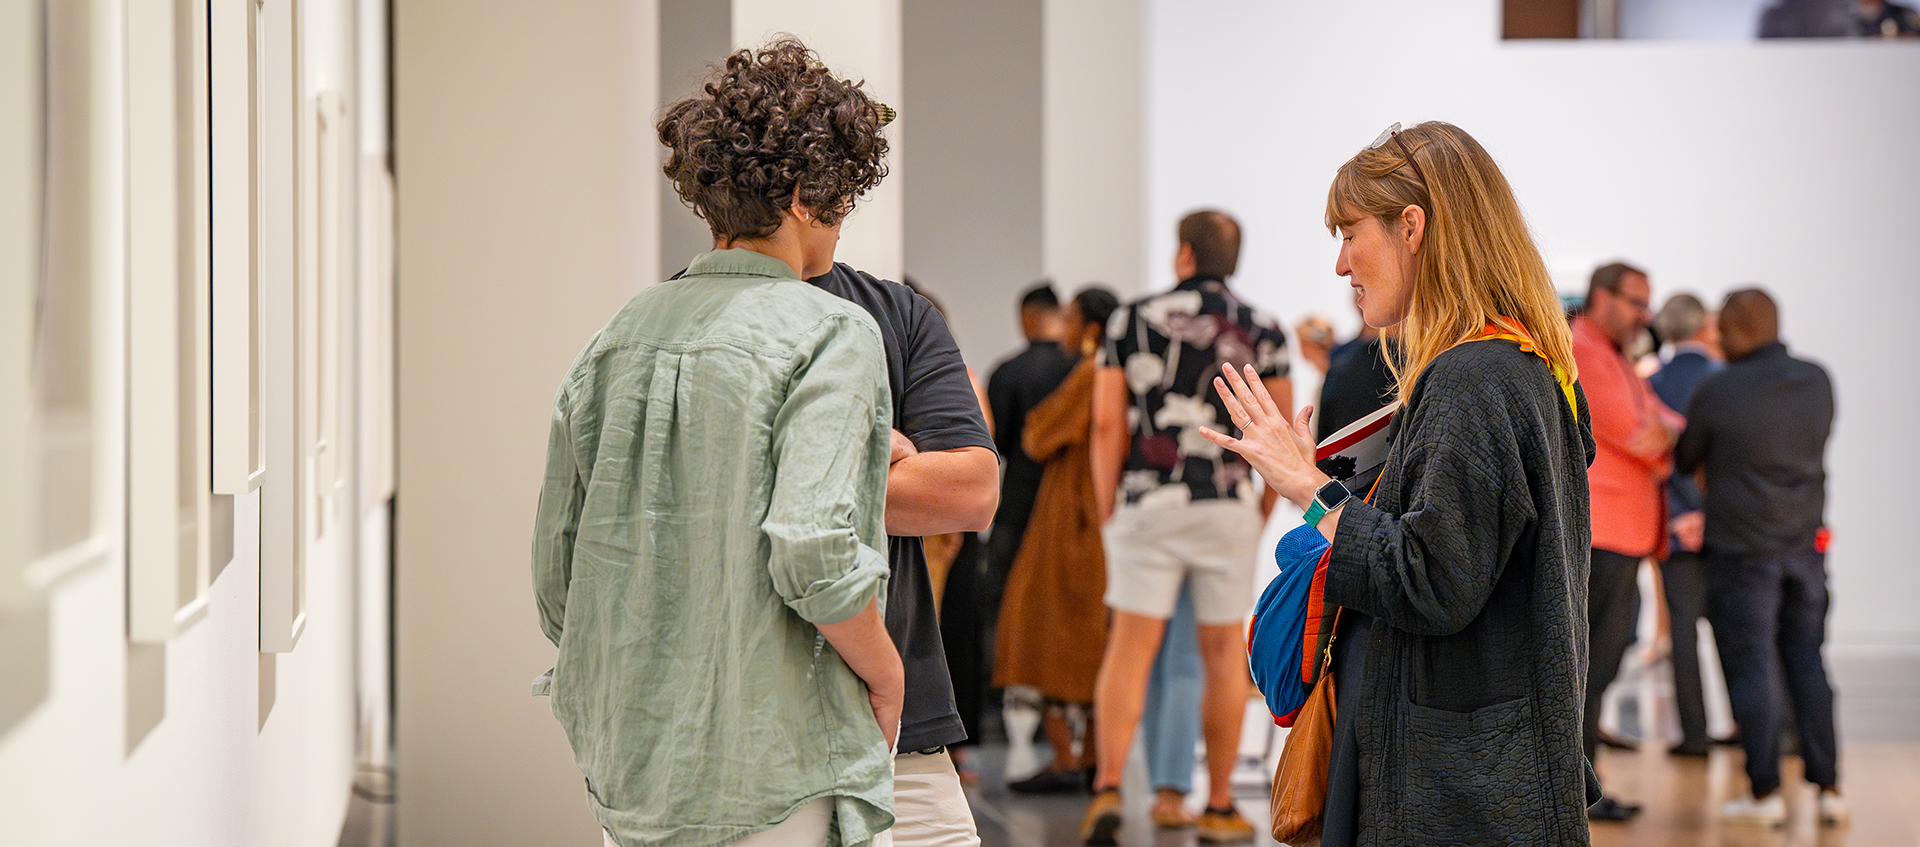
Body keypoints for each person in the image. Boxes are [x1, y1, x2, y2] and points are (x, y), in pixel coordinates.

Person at [533, 38, 901, 847]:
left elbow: (559, 584)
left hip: (631, 766)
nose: (842, 226)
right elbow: (811, 549)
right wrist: (886, 668)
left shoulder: (619, 333)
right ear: (807, 195)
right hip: (775, 763)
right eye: (843, 198)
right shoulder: (833, 331)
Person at [1200, 121, 1598, 845]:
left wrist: (1311, 489)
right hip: (1477, 771)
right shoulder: (1522, 364)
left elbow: (1432, 580)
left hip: (1453, 790)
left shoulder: (1474, 377)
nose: (1342, 263)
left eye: (1351, 234)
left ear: (1412, 226)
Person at [1081, 209, 1290, 845]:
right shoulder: (1264, 329)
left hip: (1148, 501)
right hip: (1225, 506)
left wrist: (1107, 505)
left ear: (1182, 254)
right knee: (1225, 656)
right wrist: (1256, 510)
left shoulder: (1129, 318)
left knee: (1130, 648)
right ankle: (1220, 802)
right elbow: (1279, 436)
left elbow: (1106, 425)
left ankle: (1109, 787)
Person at [808, 275, 999, 844]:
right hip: (761, 722)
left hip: (906, 731)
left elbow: (970, 491)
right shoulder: (670, 328)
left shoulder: (901, 314)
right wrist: (877, 448)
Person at [1675, 288, 1846, 829]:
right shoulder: (1817, 380)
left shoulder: (1717, 388)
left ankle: (1765, 790)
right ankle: (1829, 789)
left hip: (1742, 553)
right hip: (1804, 550)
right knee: (1808, 664)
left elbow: (1684, 458)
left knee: (1751, 668)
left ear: (1731, 329)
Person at [1569, 260, 1682, 820]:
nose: (1645, 315)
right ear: (1602, 296)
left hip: (1622, 536)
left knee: (1601, 663)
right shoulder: (1585, 350)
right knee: (1588, 666)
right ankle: (1578, 792)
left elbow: (1667, 423)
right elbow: (1642, 435)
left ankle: (1583, 786)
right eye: (1635, 302)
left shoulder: (1615, 357)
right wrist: (1663, 446)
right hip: (1603, 535)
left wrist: (1664, 438)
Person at [996, 286, 1119, 794]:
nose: (1062, 329)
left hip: (1071, 521)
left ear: (1089, 329)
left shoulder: (1090, 374)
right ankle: (1088, 757)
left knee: (1046, 635)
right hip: (1104, 520)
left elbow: (1036, 435)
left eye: (1071, 319)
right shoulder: (1119, 370)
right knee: (1093, 639)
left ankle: (1072, 760)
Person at [1647, 293, 1725, 757]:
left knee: (1682, 635)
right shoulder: (1724, 381)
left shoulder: (1651, 383)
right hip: (1720, 529)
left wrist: (1680, 515)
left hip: (1675, 530)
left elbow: (1656, 458)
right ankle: (1751, 726)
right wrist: (1710, 513)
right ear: (1704, 327)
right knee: (1737, 633)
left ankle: (1693, 736)